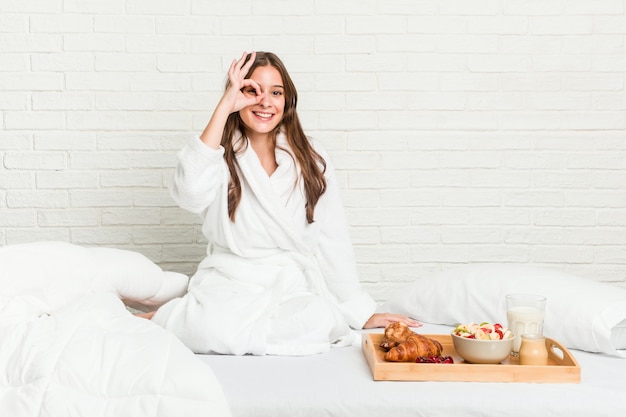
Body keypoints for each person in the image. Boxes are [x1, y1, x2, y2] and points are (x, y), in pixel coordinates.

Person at [149, 51, 419, 355]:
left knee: (319, 318)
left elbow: (332, 238)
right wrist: (224, 106)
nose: (266, 102)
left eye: (276, 92)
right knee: (211, 324)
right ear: (235, 94)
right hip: (230, 281)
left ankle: (185, 319)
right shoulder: (217, 153)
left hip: (290, 284)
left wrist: (359, 309)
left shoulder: (310, 156)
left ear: (287, 100)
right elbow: (188, 194)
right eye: (252, 91)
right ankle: (171, 317)